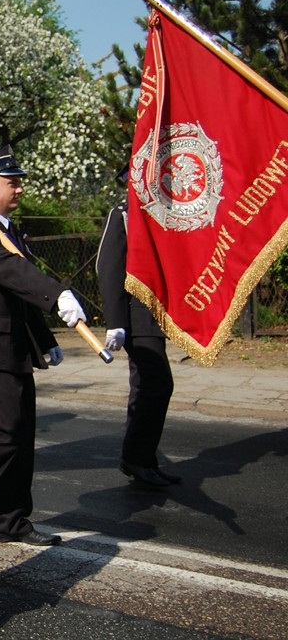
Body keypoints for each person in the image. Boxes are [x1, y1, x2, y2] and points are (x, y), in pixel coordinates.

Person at [0, 146, 86, 552]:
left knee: (22, 437)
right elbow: (14, 272)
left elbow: (19, 293)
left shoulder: (7, 233)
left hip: (15, 348)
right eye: (13, 182)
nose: (20, 188)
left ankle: (12, 520)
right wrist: (58, 293)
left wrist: (46, 340)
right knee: (7, 433)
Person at [97, 199, 179, 487]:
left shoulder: (159, 214)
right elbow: (108, 268)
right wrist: (115, 321)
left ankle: (141, 458)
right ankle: (136, 457)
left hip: (158, 313)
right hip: (138, 314)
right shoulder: (123, 214)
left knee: (147, 386)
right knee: (157, 383)